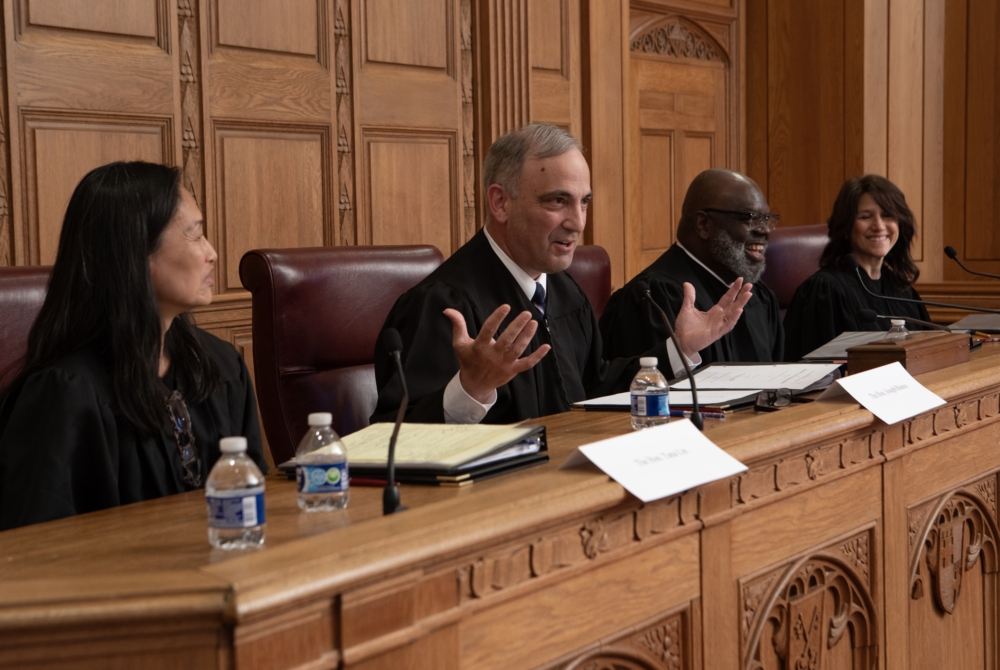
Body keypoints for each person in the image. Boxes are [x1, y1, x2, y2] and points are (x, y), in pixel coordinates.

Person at [371, 124, 752, 425]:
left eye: (583, 202)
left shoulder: (565, 291)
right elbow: (394, 438)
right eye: (558, 201)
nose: (577, 223)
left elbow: (595, 390)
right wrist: (470, 389)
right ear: (501, 202)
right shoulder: (444, 304)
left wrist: (679, 348)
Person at [0, 162, 266, 530]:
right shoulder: (66, 395)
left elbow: (254, 501)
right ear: (137, 252)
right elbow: (35, 554)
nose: (212, 253)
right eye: (195, 235)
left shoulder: (220, 366)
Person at [599, 169, 784, 365]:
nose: (764, 231)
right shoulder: (653, 298)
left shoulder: (757, 295)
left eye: (766, 219)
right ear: (703, 224)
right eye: (751, 218)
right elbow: (643, 388)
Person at [782, 175, 929, 361]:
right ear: (847, 225)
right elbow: (817, 372)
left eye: (887, 215)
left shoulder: (903, 291)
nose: (879, 226)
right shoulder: (825, 291)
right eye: (865, 217)